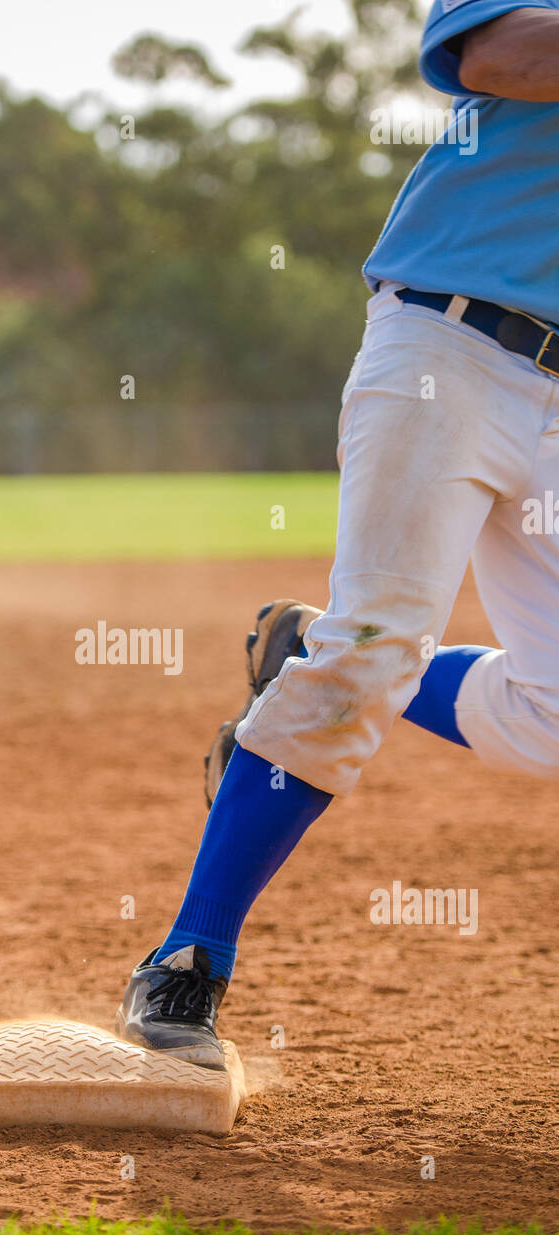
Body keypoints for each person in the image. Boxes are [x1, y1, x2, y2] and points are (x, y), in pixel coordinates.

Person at [116, 1, 559, 1068]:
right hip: (446, 346)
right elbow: (492, 53)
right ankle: (185, 962)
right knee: (369, 654)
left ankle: (301, 645)